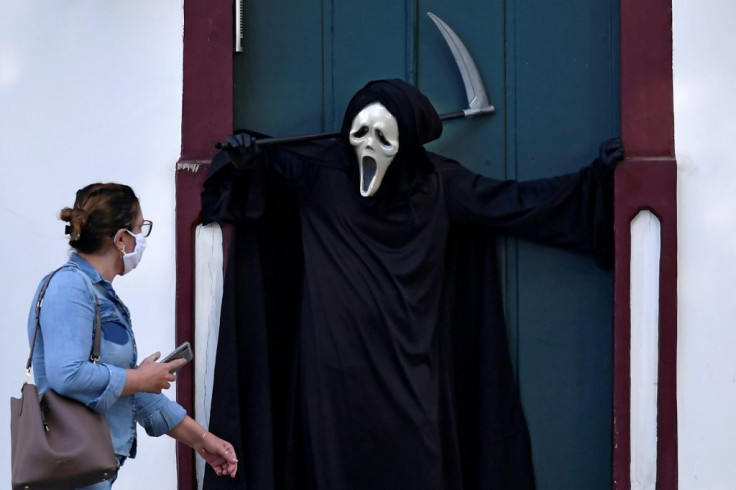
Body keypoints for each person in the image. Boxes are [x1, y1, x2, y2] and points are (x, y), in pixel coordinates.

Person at [201, 79, 623, 490]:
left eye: (383, 137)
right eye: (360, 132)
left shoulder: (440, 185)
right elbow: (252, 174)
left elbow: (516, 203)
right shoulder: (317, 176)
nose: (368, 145)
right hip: (329, 375)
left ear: (405, 145)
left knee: (415, 461)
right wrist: (245, 158)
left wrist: (597, 183)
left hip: (408, 367)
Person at [27, 183, 238, 489]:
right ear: (122, 238)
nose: (143, 239)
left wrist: (202, 440)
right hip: (70, 471)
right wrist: (139, 379)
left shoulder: (100, 294)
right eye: (141, 229)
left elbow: (129, 389)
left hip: (93, 470)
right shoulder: (69, 287)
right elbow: (67, 375)